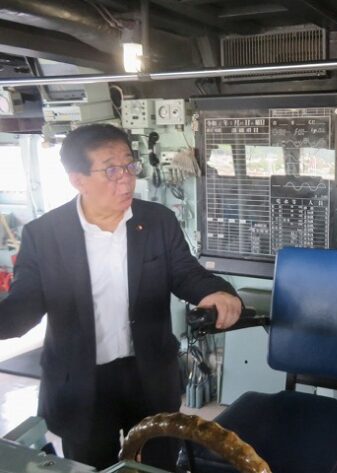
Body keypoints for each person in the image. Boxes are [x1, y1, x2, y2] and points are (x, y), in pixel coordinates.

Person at [0, 124, 243, 471]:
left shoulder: (157, 220)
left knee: (157, 462)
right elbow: (24, 306)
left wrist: (215, 292)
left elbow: (185, 272)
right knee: (89, 464)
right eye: (111, 170)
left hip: (148, 374)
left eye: (130, 165)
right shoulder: (44, 234)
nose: (126, 179)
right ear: (78, 179)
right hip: (81, 381)